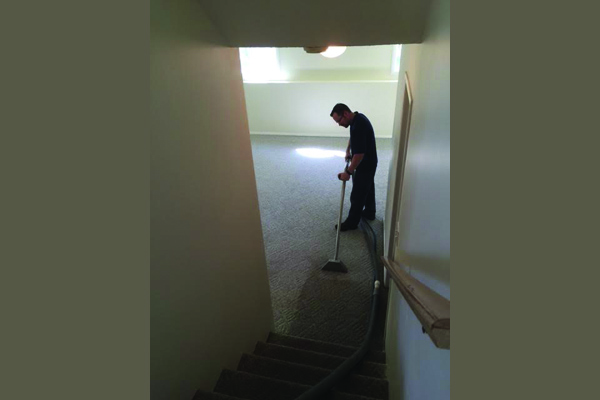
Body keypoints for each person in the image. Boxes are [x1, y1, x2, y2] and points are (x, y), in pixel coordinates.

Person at [330, 103, 378, 231]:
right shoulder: (357, 118)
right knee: (368, 187)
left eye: (339, 120)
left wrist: (348, 172)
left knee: (357, 195)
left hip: (365, 164)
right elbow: (353, 137)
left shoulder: (359, 125)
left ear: (345, 113)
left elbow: (359, 155)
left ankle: (351, 223)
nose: (339, 124)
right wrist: (348, 150)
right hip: (370, 161)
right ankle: (370, 212)